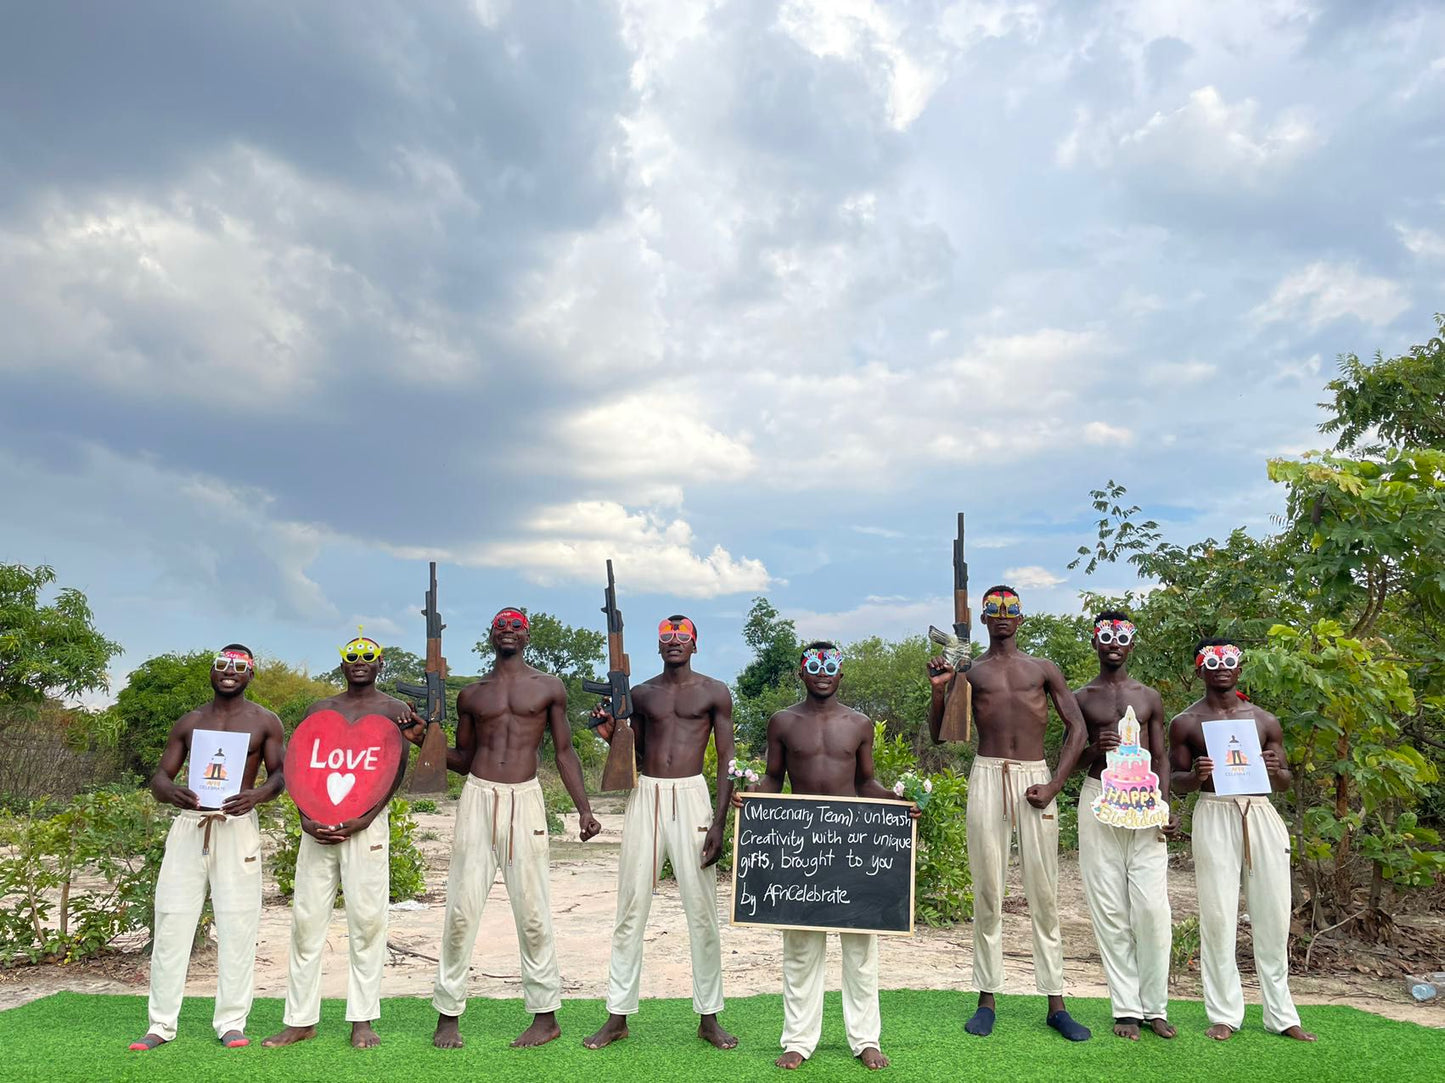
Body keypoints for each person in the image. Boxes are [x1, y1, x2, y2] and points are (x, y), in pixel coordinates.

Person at [406, 607, 602, 1049]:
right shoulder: (472, 694)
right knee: (460, 909)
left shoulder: (548, 687)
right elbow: (462, 759)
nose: (508, 631)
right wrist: (423, 739)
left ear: (527, 635)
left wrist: (584, 809)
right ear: (490, 635)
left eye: (516, 625)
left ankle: (545, 1016)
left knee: (533, 912)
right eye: (501, 625)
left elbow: (566, 751)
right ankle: (448, 1014)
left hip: (526, 800)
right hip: (478, 796)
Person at [735, 642, 918, 1071]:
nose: (822, 672)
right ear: (801, 672)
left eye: (830, 665)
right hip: (800, 845)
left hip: (852, 845)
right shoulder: (782, 721)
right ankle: (798, 1039)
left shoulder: (859, 723)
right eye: (813, 665)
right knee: (800, 947)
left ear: (841, 674)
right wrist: (752, 798)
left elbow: (867, 783)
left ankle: (865, 1038)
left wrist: (896, 801)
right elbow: (774, 778)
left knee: (861, 947)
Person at [926, 586, 1091, 1041]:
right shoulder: (970, 670)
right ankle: (986, 996)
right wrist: (940, 690)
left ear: (1021, 618)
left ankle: (1056, 1002)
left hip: (1036, 776)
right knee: (988, 888)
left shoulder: (1042, 669)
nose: (1002, 616)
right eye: (994, 610)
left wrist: (1056, 784)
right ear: (982, 619)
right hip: (987, 775)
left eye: (1010, 609)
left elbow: (1076, 727)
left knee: (1045, 890)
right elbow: (942, 734)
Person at [263, 633, 424, 1050]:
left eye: (368, 656)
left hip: (366, 825)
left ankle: (363, 1018)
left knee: (368, 921)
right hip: (316, 824)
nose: (359, 662)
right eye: (352, 656)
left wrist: (363, 820)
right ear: (341, 664)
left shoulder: (395, 710)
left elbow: (393, 771)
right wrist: (305, 817)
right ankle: (300, 1019)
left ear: (380, 664)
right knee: (306, 921)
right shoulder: (321, 709)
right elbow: (302, 767)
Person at [584, 616, 738, 1051]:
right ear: (657, 645)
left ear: (695, 644)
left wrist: (720, 821)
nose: (674, 642)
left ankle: (710, 1018)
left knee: (702, 912)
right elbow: (634, 753)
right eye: (666, 637)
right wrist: (609, 735)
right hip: (646, 794)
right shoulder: (641, 694)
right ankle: (617, 1016)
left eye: (682, 636)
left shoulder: (714, 692)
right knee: (630, 907)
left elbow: (726, 757)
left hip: (693, 795)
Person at [129, 644, 285, 1052]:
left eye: (238, 667)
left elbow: (281, 775)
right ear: (212, 673)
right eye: (221, 666)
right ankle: (160, 1024)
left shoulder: (265, 721)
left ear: (251, 675)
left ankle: (231, 1021)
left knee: (238, 923)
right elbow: (160, 777)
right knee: (173, 919)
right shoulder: (191, 721)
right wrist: (171, 792)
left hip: (236, 825)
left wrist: (258, 796)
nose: (228, 672)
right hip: (190, 824)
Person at [1170, 637, 1316, 1043]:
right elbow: (1175, 783)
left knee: (1272, 913)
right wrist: (1195, 775)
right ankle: (1224, 1013)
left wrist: (1276, 769)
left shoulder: (1264, 720)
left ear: (1240, 667)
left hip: (1261, 812)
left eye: (1229, 659)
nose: (1222, 666)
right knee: (1217, 914)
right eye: (1212, 660)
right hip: (1214, 810)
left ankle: (1281, 1014)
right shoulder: (1186, 722)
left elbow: (1285, 783)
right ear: (1200, 668)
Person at [1072, 612, 1175, 1041]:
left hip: (1144, 801)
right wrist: (1094, 747)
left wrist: (1164, 805)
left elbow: (1162, 756)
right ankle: (1127, 1009)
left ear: (1132, 644)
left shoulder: (1148, 697)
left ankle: (1156, 1006)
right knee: (1109, 907)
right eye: (1106, 636)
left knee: (1152, 909)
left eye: (1122, 637)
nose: (1114, 643)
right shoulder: (1081, 697)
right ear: (1095, 642)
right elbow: (1071, 760)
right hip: (1099, 795)